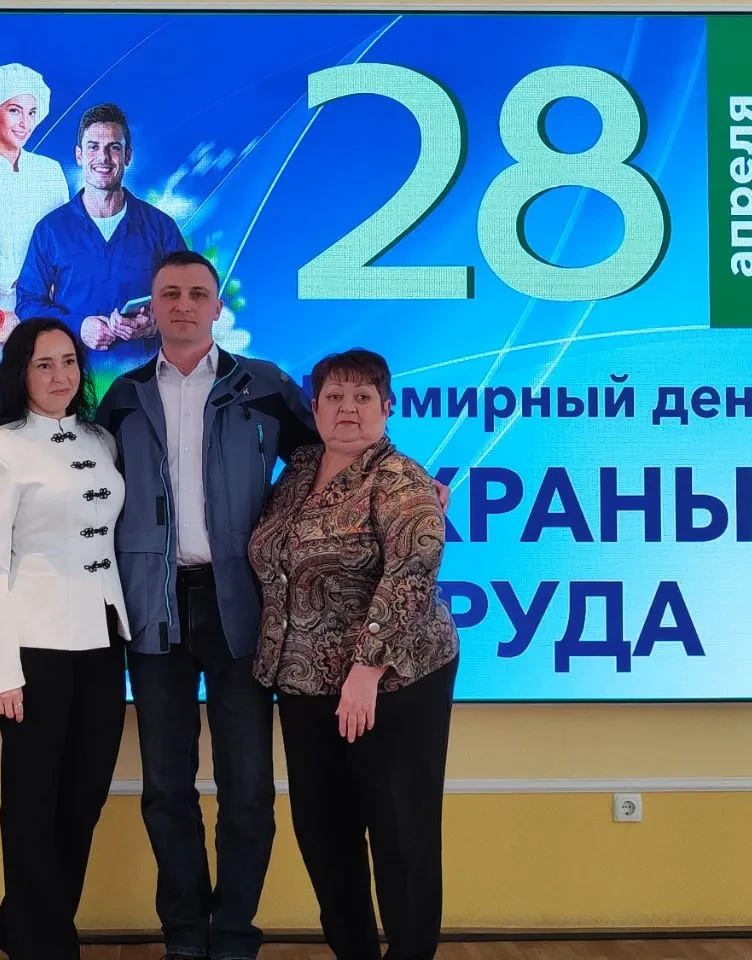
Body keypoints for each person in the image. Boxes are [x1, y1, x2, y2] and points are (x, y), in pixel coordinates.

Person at [95, 250, 319, 960]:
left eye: (197, 293)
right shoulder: (123, 396)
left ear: (217, 307)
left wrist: (404, 481)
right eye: (169, 294)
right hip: (153, 607)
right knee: (166, 785)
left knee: (247, 784)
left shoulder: (265, 385)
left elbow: (330, 460)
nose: (183, 305)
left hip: (240, 606)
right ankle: (186, 933)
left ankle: (234, 933)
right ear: (151, 310)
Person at [247, 349, 459, 960]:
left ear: (387, 409)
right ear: (313, 408)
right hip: (303, 682)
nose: (348, 409)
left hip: (393, 684)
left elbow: (411, 574)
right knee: (324, 833)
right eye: (335, 397)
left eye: (363, 397)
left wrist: (366, 671)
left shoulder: (402, 481)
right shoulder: (299, 469)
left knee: (399, 829)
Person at [0, 317, 129, 960]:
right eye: (43, 364)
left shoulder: (100, 440)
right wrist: (0, 671)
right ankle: (46, 944)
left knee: (83, 798)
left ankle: (21, 926)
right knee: (33, 803)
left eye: (68, 362)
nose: (60, 376)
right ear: (19, 373)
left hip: (102, 640)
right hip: (33, 650)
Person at [16, 102, 186, 368]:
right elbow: (27, 303)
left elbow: (189, 296)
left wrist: (156, 322)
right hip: (72, 380)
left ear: (127, 155)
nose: (103, 158)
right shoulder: (50, 230)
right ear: (79, 155)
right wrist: (78, 326)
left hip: (147, 380)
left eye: (113, 147)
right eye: (93, 147)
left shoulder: (161, 228)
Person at [0, 64, 69, 346]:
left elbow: (67, 239)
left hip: (53, 304)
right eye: (15, 111)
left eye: (31, 113)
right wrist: (41, 284)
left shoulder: (50, 171)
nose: (25, 124)